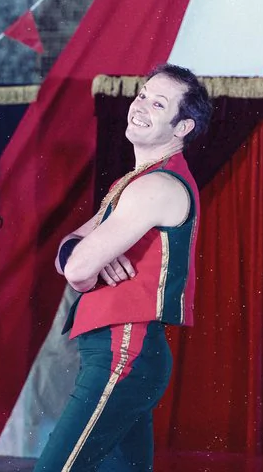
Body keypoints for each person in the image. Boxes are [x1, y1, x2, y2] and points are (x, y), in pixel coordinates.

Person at [35, 63, 213, 471]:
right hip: (123, 351)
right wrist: (89, 253)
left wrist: (88, 257)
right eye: (142, 95)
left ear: (183, 127)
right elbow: (67, 248)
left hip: (124, 350)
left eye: (158, 104)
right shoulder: (134, 182)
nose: (141, 106)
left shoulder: (157, 185)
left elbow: (76, 269)